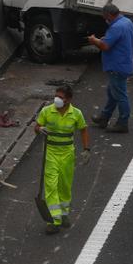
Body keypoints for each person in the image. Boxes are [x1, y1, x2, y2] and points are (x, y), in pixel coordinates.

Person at [34, 85, 90, 234]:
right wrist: (39, 129)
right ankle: (54, 219)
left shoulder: (76, 114)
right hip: (50, 153)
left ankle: (64, 214)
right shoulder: (47, 111)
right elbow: (37, 126)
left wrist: (86, 149)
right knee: (51, 186)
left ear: (69, 99)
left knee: (64, 186)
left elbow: (83, 129)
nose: (57, 99)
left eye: (61, 97)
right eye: (56, 95)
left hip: (67, 155)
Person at [87, 4, 133, 133]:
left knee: (120, 95)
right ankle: (104, 117)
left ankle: (123, 123)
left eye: (105, 17)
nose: (105, 19)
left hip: (117, 66)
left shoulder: (116, 27)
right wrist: (105, 39)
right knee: (112, 93)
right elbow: (117, 40)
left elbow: (105, 46)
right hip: (124, 63)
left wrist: (94, 40)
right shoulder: (127, 22)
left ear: (109, 15)